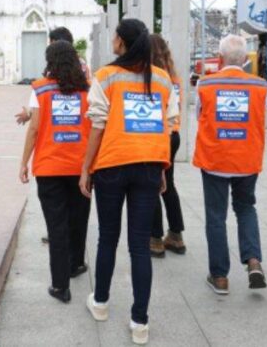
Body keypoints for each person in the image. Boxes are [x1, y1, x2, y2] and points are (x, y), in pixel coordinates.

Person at [80, 18, 177, 346]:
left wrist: (86, 168)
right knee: (139, 246)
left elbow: (97, 125)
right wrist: (163, 168)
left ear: (121, 41)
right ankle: (140, 322)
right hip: (149, 166)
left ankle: (102, 303)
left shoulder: (106, 76)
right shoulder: (162, 80)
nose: (113, 39)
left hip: (112, 165)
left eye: (115, 35)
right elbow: (166, 126)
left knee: (107, 238)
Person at [193, 34, 267, 296]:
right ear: (246, 60)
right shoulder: (260, 86)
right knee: (246, 208)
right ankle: (253, 261)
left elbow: (199, 115)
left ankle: (220, 277)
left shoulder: (205, 84)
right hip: (247, 159)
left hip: (215, 158)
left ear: (221, 58)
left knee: (216, 216)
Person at [19, 40, 91, 303]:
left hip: (49, 167)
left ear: (49, 61)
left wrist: (24, 162)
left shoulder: (39, 89)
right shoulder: (87, 90)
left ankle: (61, 286)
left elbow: (34, 129)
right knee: (77, 219)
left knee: (56, 226)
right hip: (80, 167)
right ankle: (75, 265)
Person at [149, 34, 186, 257]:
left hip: (156, 135)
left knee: (152, 184)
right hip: (174, 135)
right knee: (168, 184)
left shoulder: (152, 79)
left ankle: (155, 239)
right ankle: (176, 235)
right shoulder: (174, 79)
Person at [15, 27, 90, 126]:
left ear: (56, 44)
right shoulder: (82, 65)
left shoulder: (56, 68)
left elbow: (49, 100)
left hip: (58, 122)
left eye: (50, 43)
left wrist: (30, 113)